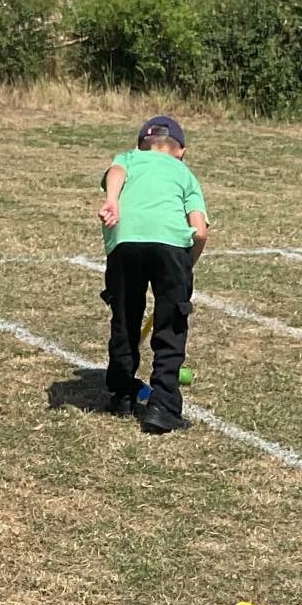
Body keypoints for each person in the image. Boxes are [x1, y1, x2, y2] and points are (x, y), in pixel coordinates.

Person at [96, 114, 208, 433]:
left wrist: (112, 200)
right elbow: (200, 231)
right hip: (172, 247)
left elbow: (116, 171)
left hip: (125, 242)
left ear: (140, 145)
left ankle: (121, 393)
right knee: (171, 325)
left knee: (125, 316)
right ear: (181, 151)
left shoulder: (129, 159)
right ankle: (163, 407)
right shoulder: (184, 173)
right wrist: (186, 267)